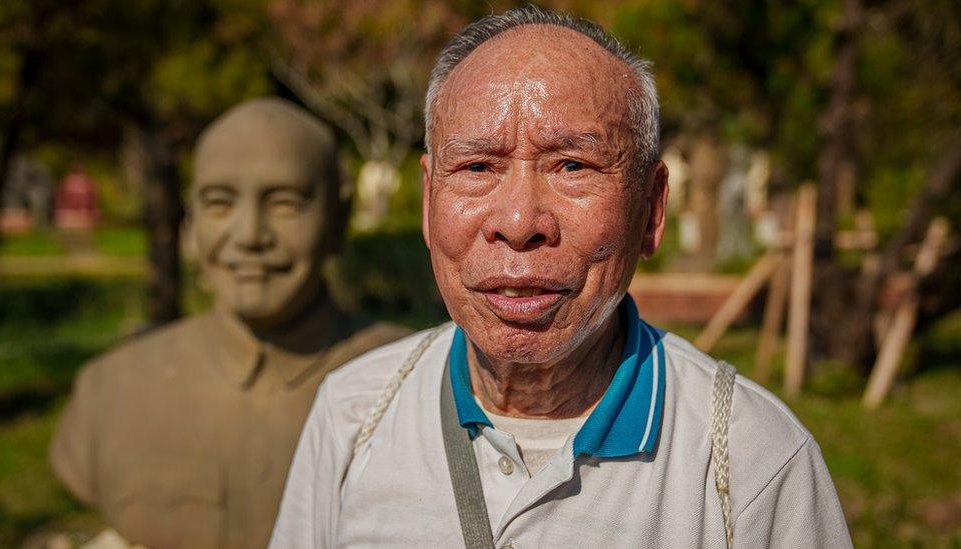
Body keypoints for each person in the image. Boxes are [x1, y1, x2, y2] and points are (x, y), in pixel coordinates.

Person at [270, 8, 852, 548]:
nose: (520, 223)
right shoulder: (353, 414)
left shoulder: (751, 461)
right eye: (477, 167)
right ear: (428, 202)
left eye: (573, 166)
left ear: (651, 211)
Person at [50, 98, 408, 549]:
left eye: (284, 203)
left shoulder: (419, 382)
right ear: (192, 217)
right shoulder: (109, 390)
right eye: (220, 203)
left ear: (337, 219)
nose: (249, 235)